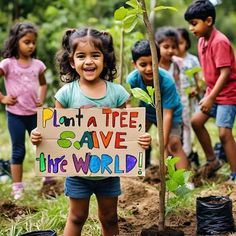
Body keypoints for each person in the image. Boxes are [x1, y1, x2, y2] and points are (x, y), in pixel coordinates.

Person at [30, 27, 151, 236]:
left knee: (110, 217)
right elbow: (55, 131)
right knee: (77, 217)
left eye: (95, 55)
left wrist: (141, 138)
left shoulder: (118, 94)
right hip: (77, 172)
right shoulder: (65, 94)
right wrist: (38, 137)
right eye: (81, 56)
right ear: (71, 62)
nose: (88, 61)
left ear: (105, 60)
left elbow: (130, 128)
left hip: (109, 171)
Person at [184, 0, 236, 180]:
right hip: (212, 93)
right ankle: (213, 160)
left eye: (194, 24)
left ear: (208, 21)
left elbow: (225, 73)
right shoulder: (201, 41)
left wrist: (211, 98)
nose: (191, 29)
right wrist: (206, 93)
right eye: (190, 25)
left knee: (224, 133)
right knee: (196, 122)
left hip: (227, 94)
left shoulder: (219, 41)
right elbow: (208, 71)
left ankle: (234, 174)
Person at [0, 22, 47, 199]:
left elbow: (43, 84)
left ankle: (48, 178)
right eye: (27, 42)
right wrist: (3, 98)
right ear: (16, 41)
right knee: (18, 150)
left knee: (42, 146)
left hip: (34, 115)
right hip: (15, 115)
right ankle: (17, 187)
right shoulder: (8, 64)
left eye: (33, 42)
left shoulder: (38, 65)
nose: (31, 46)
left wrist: (41, 99)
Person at [127, 39, 189, 171]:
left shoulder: (167, 81)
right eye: (143, 65)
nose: (149, 69)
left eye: (153, 63)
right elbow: (127, 103)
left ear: (159, 61)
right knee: (136, 137)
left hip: (171, 114)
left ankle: (186, 182)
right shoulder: (132, 79)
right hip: (148, 113)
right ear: (134, 64)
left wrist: (163, 142)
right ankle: (139, 169)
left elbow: (167, 114)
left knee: (173, 144)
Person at [155, 26, 193, 162]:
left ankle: (183, 175)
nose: (170, 50)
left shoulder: (176, 64)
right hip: (155, 106)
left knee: (174, 140)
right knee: (143, 134)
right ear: (157, 46)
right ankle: (145, 164)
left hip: (173, 106)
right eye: (166, 46)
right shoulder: (153, 65)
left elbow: (179, 84)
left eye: (173, 47)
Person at [176, 27, 202, 167]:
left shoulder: (192, 60)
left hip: (189, 99)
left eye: (180, 42)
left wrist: (196, 89)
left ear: (186, 43)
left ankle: (189, 153)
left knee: (188, 126)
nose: (178, 46)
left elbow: (199, 80)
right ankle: (182, 155)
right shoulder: (172, 61)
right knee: (178, 127)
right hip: (177, 97)